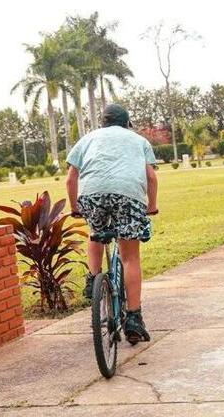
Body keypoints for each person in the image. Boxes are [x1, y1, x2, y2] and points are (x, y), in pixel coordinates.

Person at [66, 104, 158, 344]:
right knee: (130, 258)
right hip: (128, 196)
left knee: (95, 233)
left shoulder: (88, 139)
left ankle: (92, 278)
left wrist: (75, 208)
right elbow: (151, 177)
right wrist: (151, 206)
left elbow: (70, 178)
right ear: (127, 122)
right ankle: (134, 318)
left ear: (103, 122)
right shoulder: (138, 140)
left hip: (92, 194)